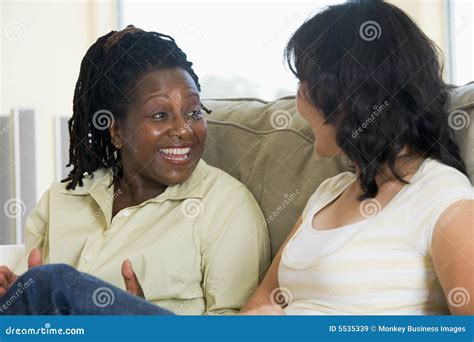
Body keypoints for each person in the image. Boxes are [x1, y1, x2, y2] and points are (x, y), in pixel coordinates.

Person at [0, 26, 270, 315]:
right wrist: (16, 295)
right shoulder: (62, 199)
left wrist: (141, 317)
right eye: (160, 115)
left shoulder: (225, 205)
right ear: (116, 131)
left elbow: (242, 327)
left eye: (193, 113)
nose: (184, 129)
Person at [241, 0, 473, 315]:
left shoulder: (442, 197)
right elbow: (261, 301)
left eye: (304, 83)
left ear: (349, 95)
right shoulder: (329, 192)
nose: (298, 100)